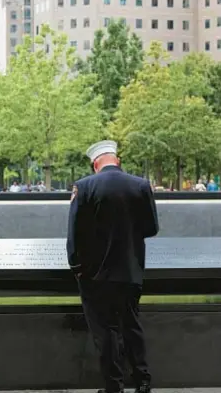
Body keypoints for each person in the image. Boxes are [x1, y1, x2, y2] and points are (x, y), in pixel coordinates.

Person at [67, 140, 159, 393]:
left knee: (105, 331)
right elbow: (152, 228)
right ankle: (142, 381)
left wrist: (77, 266)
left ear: (95, 163)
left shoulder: (84, 187)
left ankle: (114, 386)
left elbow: (74, 233)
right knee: (131, 324)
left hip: (95, 276)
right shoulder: (141, 185)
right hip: (130, 270)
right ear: (117, 160)